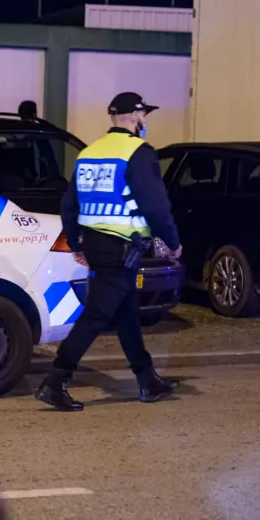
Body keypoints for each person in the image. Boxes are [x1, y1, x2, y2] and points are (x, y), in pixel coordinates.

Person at [34, 92, 181, 411]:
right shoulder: (138, 152)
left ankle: (147, 379)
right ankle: (55, 381)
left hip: (97, 244)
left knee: (127, 313)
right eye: (144, 116)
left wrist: (76, 243)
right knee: (97, 315)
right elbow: (155, 203)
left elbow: (68, 204)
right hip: (120, 247)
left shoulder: (90, 152)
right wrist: (171, 240)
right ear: (135, 116)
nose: (145, 122)